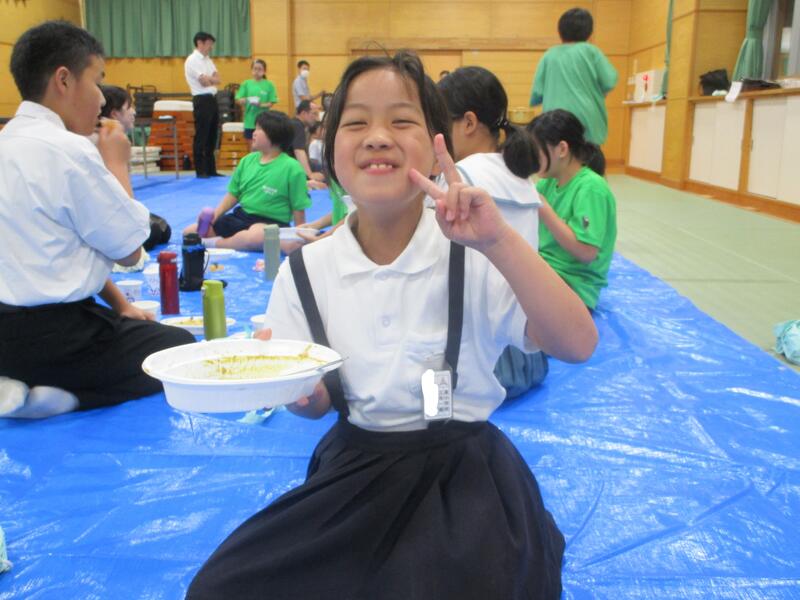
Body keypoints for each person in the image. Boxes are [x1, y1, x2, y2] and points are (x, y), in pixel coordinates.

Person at [187, 50, 596, 600]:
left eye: (401, 121)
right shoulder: (306, 270)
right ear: (330, 152)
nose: (378, 137)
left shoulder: (475, 251)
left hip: (464, 475)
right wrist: (294, 392)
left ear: (436, 148)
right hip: (355, 471)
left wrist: (500, 240)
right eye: (356, 123)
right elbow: (316, 405)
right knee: (222, 588)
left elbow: (578, 343)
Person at [0, 21, 194, 420]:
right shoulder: (69, 150)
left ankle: (20, 381)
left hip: (6, 333)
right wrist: (117, 165)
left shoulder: (7, 141)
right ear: (64, 80)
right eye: (97, 81)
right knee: (179, 349)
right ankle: (69, 397)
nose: (102, 100)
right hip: (61, 335)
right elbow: (129, 250)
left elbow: (67, 250)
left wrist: (121, 305)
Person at [437, 65, 549, 399]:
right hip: (530, 355)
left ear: (469, 122)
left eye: (441, 125)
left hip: (483, 362)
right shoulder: (520, 174)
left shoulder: (460, 177)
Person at [183, 111, 310, 253]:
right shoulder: (247, 161)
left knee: (256, 236)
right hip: (241, 217)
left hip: (270, 222)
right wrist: (215, 215)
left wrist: (299, 235)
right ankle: (232, 241)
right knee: (189, 232)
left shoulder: (292, 168)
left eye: (259, 129)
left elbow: (298, 206)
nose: (254, 133)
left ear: (274, 135)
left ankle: (214, 243)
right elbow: (233, 194)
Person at [528, 109, 617, 310]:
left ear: (561, 149)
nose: (532, 159)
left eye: (536, 151)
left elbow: (586, 253)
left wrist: (544, 209)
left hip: (575, 285)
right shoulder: (548, 183)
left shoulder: (591, 188)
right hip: (545, 270)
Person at [529, 7, 617, 146]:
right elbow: (610, 81)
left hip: (555, 120)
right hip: (586, 118)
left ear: (560, 30)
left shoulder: (549, 55)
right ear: (589, 32)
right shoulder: (591, 51)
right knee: (587, 153)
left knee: (556, 152)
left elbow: (537, 93)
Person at [99, 85, 172, 252]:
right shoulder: (108, 143)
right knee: (153, 231)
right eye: (129, 107)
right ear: (114, 114)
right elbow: (121, 200)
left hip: (119, 210)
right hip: (109, 214)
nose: (134, 112)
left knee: (162, 228)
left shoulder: (116, 140)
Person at [185, 31, 221, 178]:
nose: (211, 47)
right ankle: (201, 170)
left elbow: (218, 79)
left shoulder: (208, 60)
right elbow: (204, 82)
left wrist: (210, 79)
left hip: (212, 98)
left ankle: (211, 169)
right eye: (209, 44)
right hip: (201, 99)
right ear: (200, 43)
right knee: (202, 135)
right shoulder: (192, 60)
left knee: (212, 135)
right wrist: (210, 79)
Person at [235, 59, 278, 140]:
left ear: (264, 71)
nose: (257, 71)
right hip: (249, 121)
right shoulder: (246, 83)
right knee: (251, 145)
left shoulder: (269, 85)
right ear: (251, 70)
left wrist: (260, 105)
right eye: (255, 69)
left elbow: (271, 103)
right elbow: (238, 99)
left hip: (264, 121)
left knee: (263, 144)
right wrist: (242, 101)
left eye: (259, 69)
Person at [290, 100, 325, 181]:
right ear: (303, 113)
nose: (317, 119)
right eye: (314, 114)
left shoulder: (296, 124)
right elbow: (299, 151)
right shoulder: (297, 125)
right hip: (293, 166)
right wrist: (309, 175)